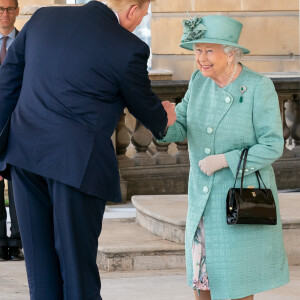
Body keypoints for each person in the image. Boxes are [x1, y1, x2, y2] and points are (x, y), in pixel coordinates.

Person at [0, 0, 176, 299]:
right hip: (77, 167)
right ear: (132, 9)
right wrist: (165, 115)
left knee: (40, 270)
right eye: (143, 15)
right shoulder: (128, 47)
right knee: (77, 269)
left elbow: (6, 85)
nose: (139, 22)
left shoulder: (43, 18)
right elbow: (146, 107)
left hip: (26, 158)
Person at [159, 15, 289, 300]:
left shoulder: (257, 86)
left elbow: (272, 145)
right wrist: (162, 121)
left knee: (236, 283)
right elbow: (180, 126)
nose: (200, 59)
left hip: (238, 201)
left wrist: (225, 160)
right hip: (202, 203)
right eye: (197, 51)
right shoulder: (199, 82)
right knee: (201, 281)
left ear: (231, 53)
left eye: (208, 51)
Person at [0, 0, 23, 261]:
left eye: (9, 8)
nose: (5, 14)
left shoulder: (27, 42)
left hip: (19, 126)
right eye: (0, 9)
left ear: (17, 11)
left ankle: (17, 241)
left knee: (18, 186)